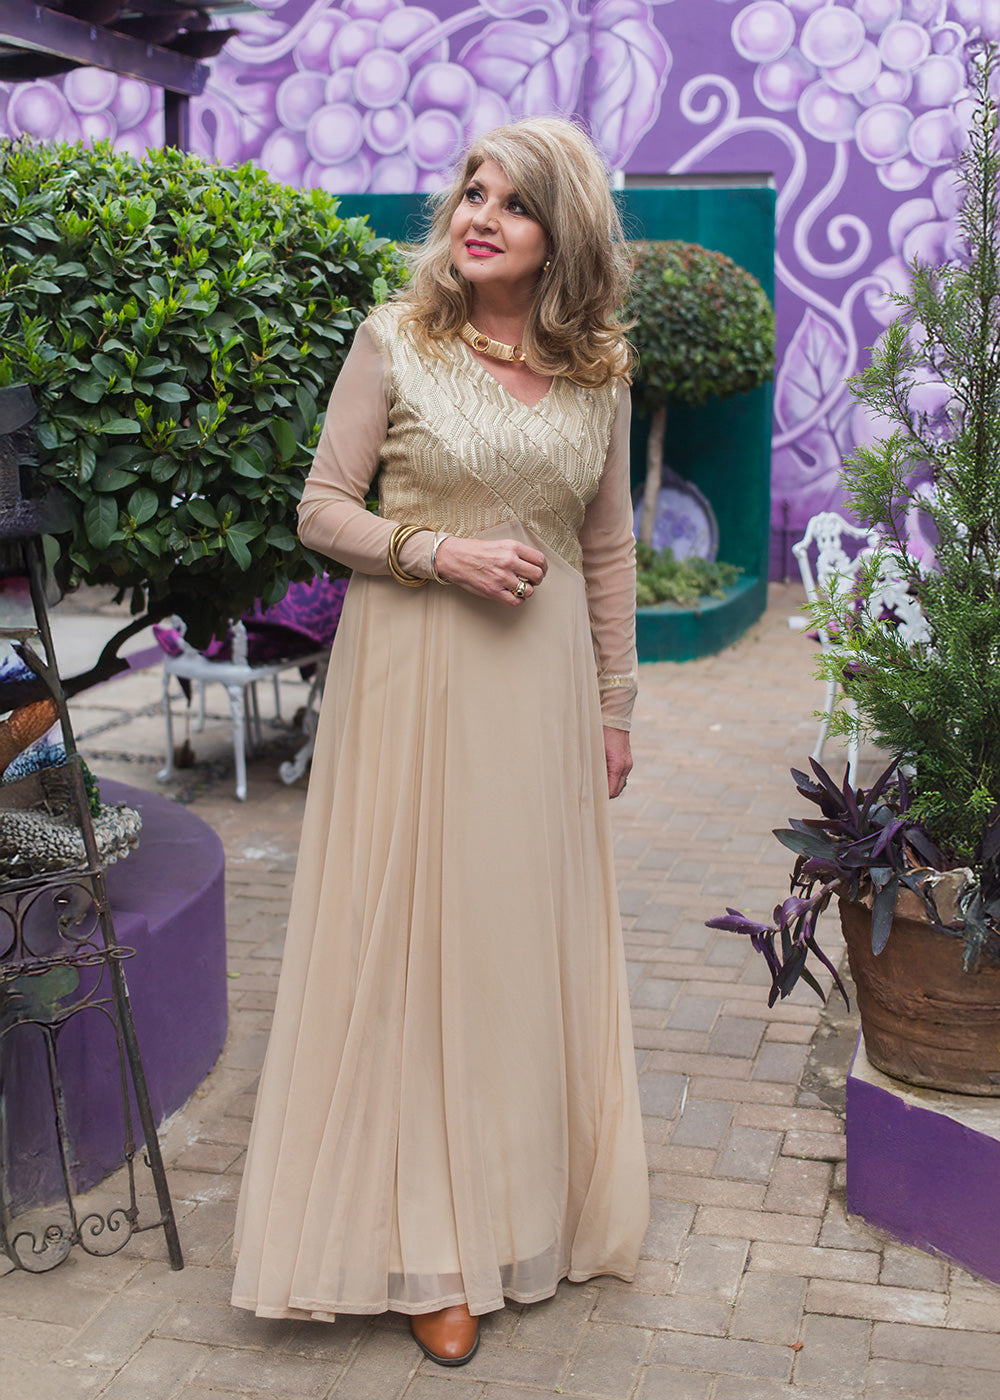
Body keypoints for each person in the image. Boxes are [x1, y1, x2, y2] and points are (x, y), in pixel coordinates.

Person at [231, 116, 650, 1367]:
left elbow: (609, 545)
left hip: (543, 701)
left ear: (558, 236)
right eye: (472, 191)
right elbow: (319, 510)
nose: (479, 216)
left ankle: (530, 1206)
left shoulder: (600, 372)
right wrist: (436, 551)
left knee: (517, 949)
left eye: (512, 204)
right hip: (413, 682)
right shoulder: (395, 339)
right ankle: (431, 1247)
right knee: (421, 946)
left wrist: (616, 707)